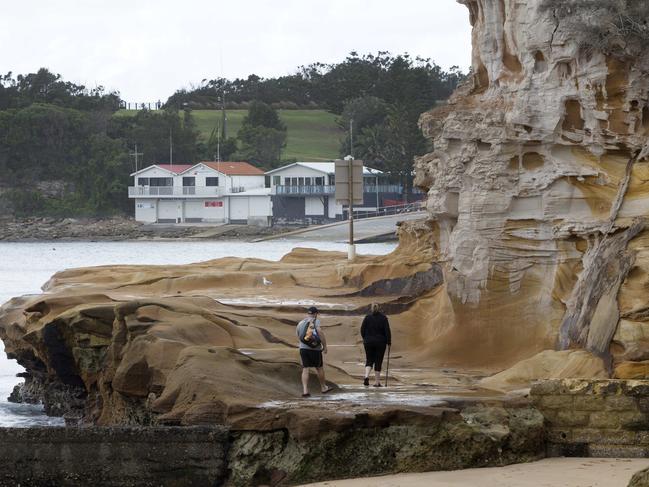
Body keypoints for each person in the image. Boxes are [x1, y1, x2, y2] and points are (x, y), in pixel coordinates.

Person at [296, 306, 333, 397]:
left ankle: (305, 390)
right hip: (314, 349)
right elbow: (319, 332)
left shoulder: (301, 323)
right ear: (316, 314)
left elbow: (298, 335)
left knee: (305, 368)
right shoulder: (315, 321)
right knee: (319, 367)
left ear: (308, 313)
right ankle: (323, 387)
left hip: (303, 349)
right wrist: (324, 346)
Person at [361, 303, 391, 387]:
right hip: (380, 342)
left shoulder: (367, 317)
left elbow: (362, 329)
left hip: (368, 341)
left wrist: (365, 338)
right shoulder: (383, 318)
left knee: (369, 359)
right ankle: (377, 382)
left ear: (371, 308)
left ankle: (366, 376)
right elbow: (387, 331)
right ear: (379, 308)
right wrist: (389, 342)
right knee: (378, 361)